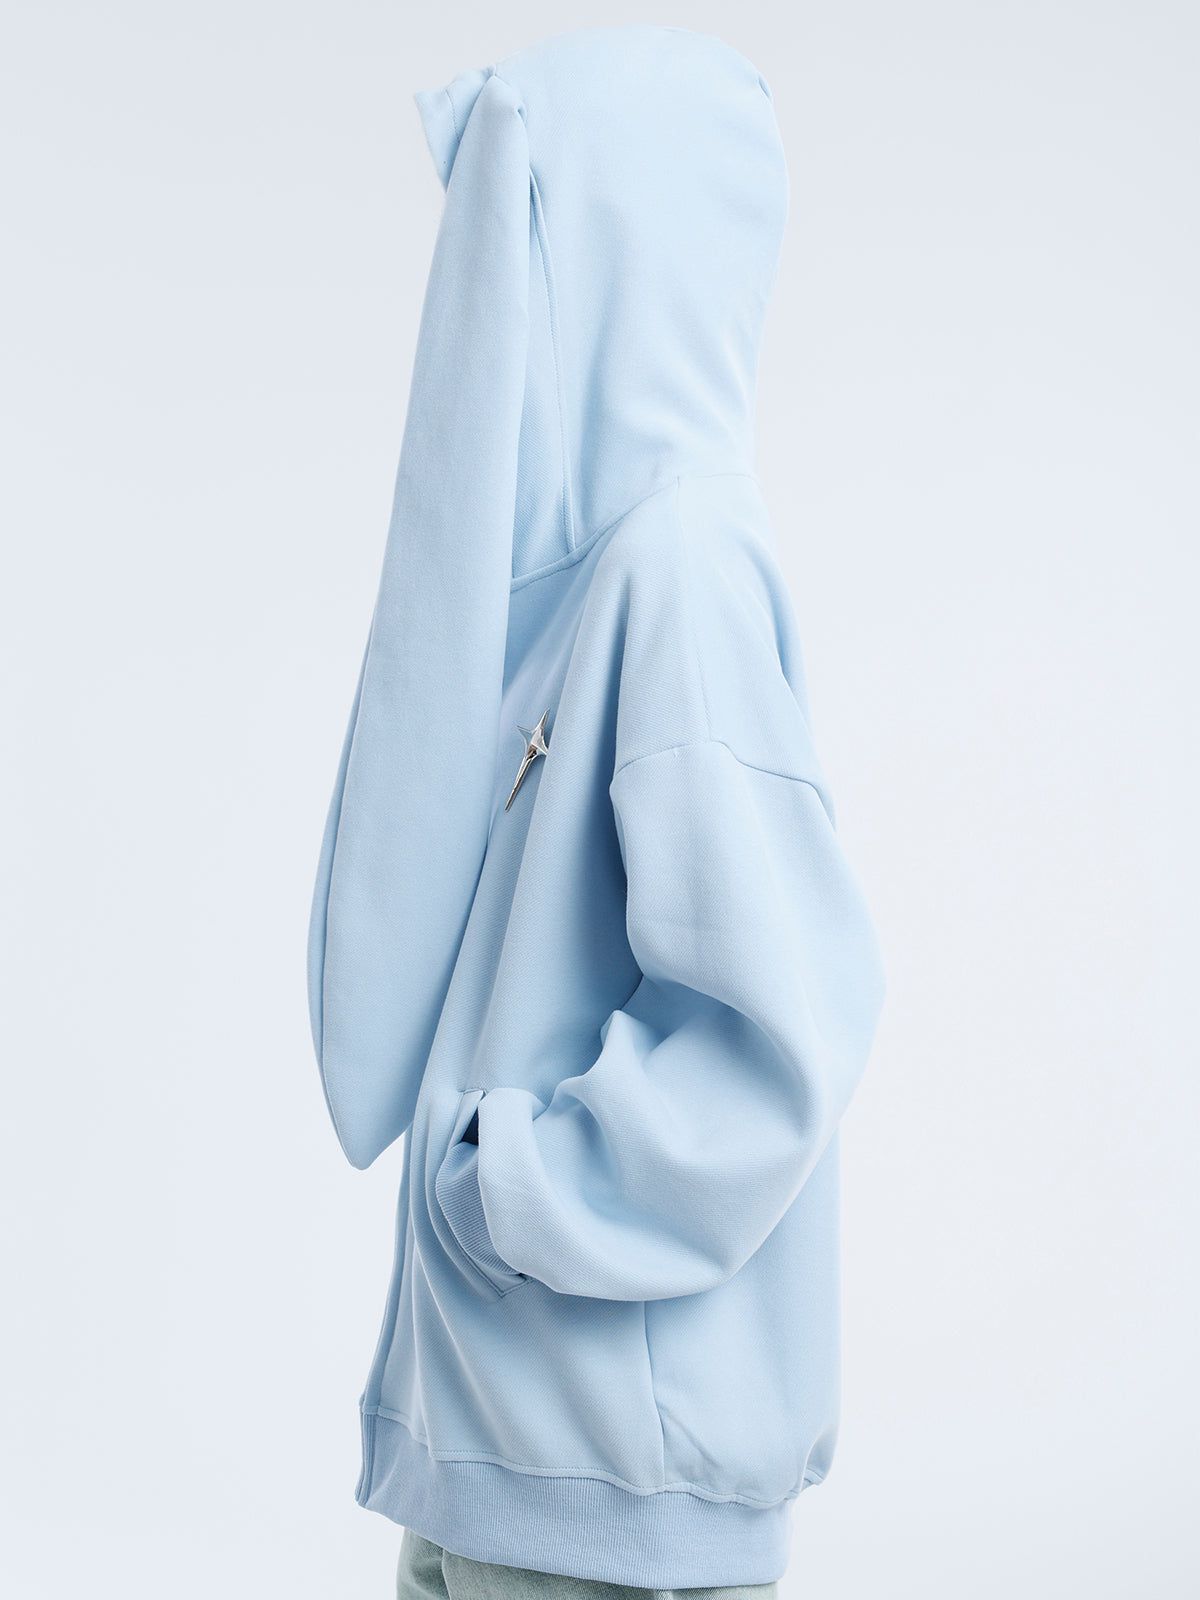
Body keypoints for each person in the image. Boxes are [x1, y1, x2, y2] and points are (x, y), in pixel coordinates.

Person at [308, 25, 884, 1599]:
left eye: (515, 228)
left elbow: (777, 1032)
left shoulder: (678, 573)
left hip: (612, 1506)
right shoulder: (566, 598)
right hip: (498, 1473)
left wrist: (502, 1185)